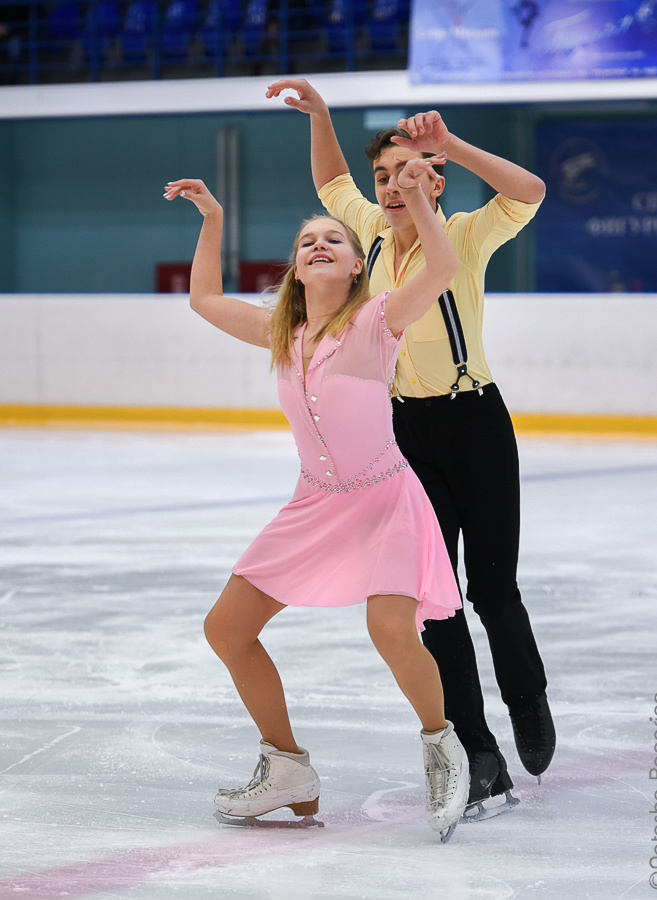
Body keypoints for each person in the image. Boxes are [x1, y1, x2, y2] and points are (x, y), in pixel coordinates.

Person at [265, 78, 555, 817]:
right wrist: (322, 115)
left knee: (493, 587)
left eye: (409, 171)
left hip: (476, 422)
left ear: (435, 177)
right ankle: (477, 748)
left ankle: (526, 699)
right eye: (384, 176)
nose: (392, 186)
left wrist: (448, 141)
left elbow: (527, 190)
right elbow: (330, 179)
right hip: (407, 436)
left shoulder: (459, 234)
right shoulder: (364, 239)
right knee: (438, 600)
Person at [163, 159, 471, 841]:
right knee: (227, 629)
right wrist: (214, 220)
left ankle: (442, 747)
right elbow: (204, 301)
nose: (320, 245)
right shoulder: (282, 333)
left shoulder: (376, 323)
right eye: (308, 242)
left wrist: (417, 200)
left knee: (390, 630)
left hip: (384, 498)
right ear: (298, 270)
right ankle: (287, 768)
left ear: (358, 268)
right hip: (314, 504)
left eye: (334, 239)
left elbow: (442, 268)